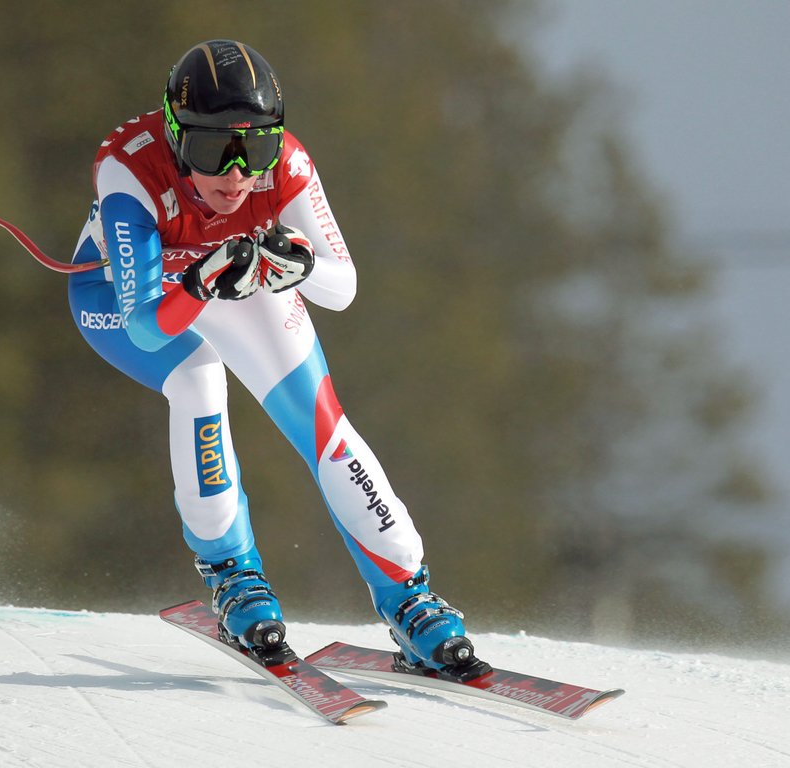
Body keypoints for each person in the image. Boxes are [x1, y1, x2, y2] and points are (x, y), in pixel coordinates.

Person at [67, 39, 489, 679]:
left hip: (232, 282)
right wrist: (201, 283)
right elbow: (145, 326)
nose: (236, 175)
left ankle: (409, 595)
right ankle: (234, 576)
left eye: (255, 149)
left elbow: (343, 288)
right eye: (213, 150)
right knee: (198, 378)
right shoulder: (130, 165)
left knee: (320, 419)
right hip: (129, 298)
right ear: (176, 137)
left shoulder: (288, 165)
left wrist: (302, 265)